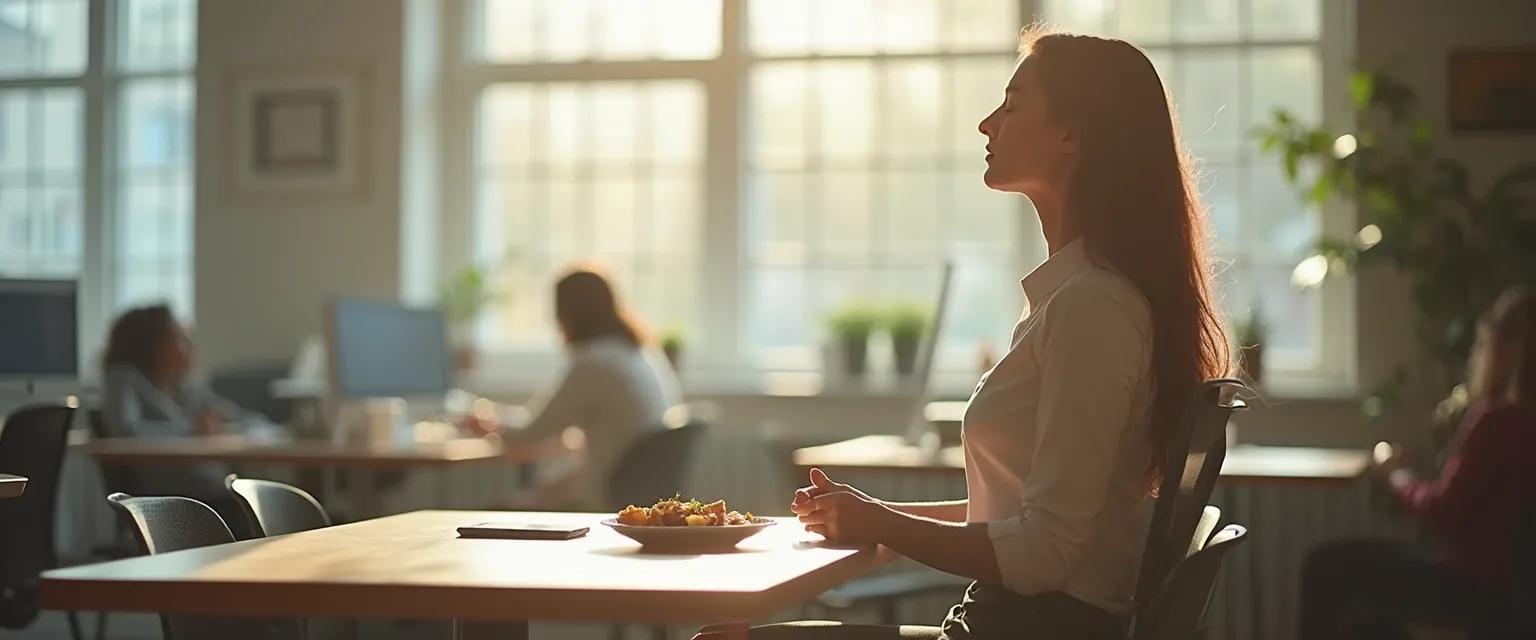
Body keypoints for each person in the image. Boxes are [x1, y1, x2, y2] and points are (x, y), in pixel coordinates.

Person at [703, 27, 1230, 640]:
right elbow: (1012, 519)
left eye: (1011, 106)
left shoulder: (1093, 310)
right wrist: (874, 519)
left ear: (1071, 135)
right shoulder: (1074, 300)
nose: (987, 124)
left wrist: (883, 523)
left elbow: (1043, 555)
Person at [1298, 287, 1536, 639]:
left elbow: (1441, 512)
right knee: (1364, 616)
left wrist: (1397, 474)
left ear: (1505, 349)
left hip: (1469, 585)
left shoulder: (1497, 422)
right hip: (1511, 595)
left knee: (1326, 567)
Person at [473, 266, 681, 509]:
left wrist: (486, 425)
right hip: (631, 488)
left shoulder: (594, 363)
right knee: (534, 492)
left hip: (602, 496)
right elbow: (563, 429)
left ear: (566, 314)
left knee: (500, 509)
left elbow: (532, 433)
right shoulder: (640, 355)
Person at [99, 304, 280, 538]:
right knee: (256, 506)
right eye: (179, 339)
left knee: (266, 496)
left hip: (208, 483)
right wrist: (192, 428)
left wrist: (269, 428)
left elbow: (233, 415)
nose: (189, 347)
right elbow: (125, 431)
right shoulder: (123, 378)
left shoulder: (184, 386)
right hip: (165, 496)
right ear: (152, 343)